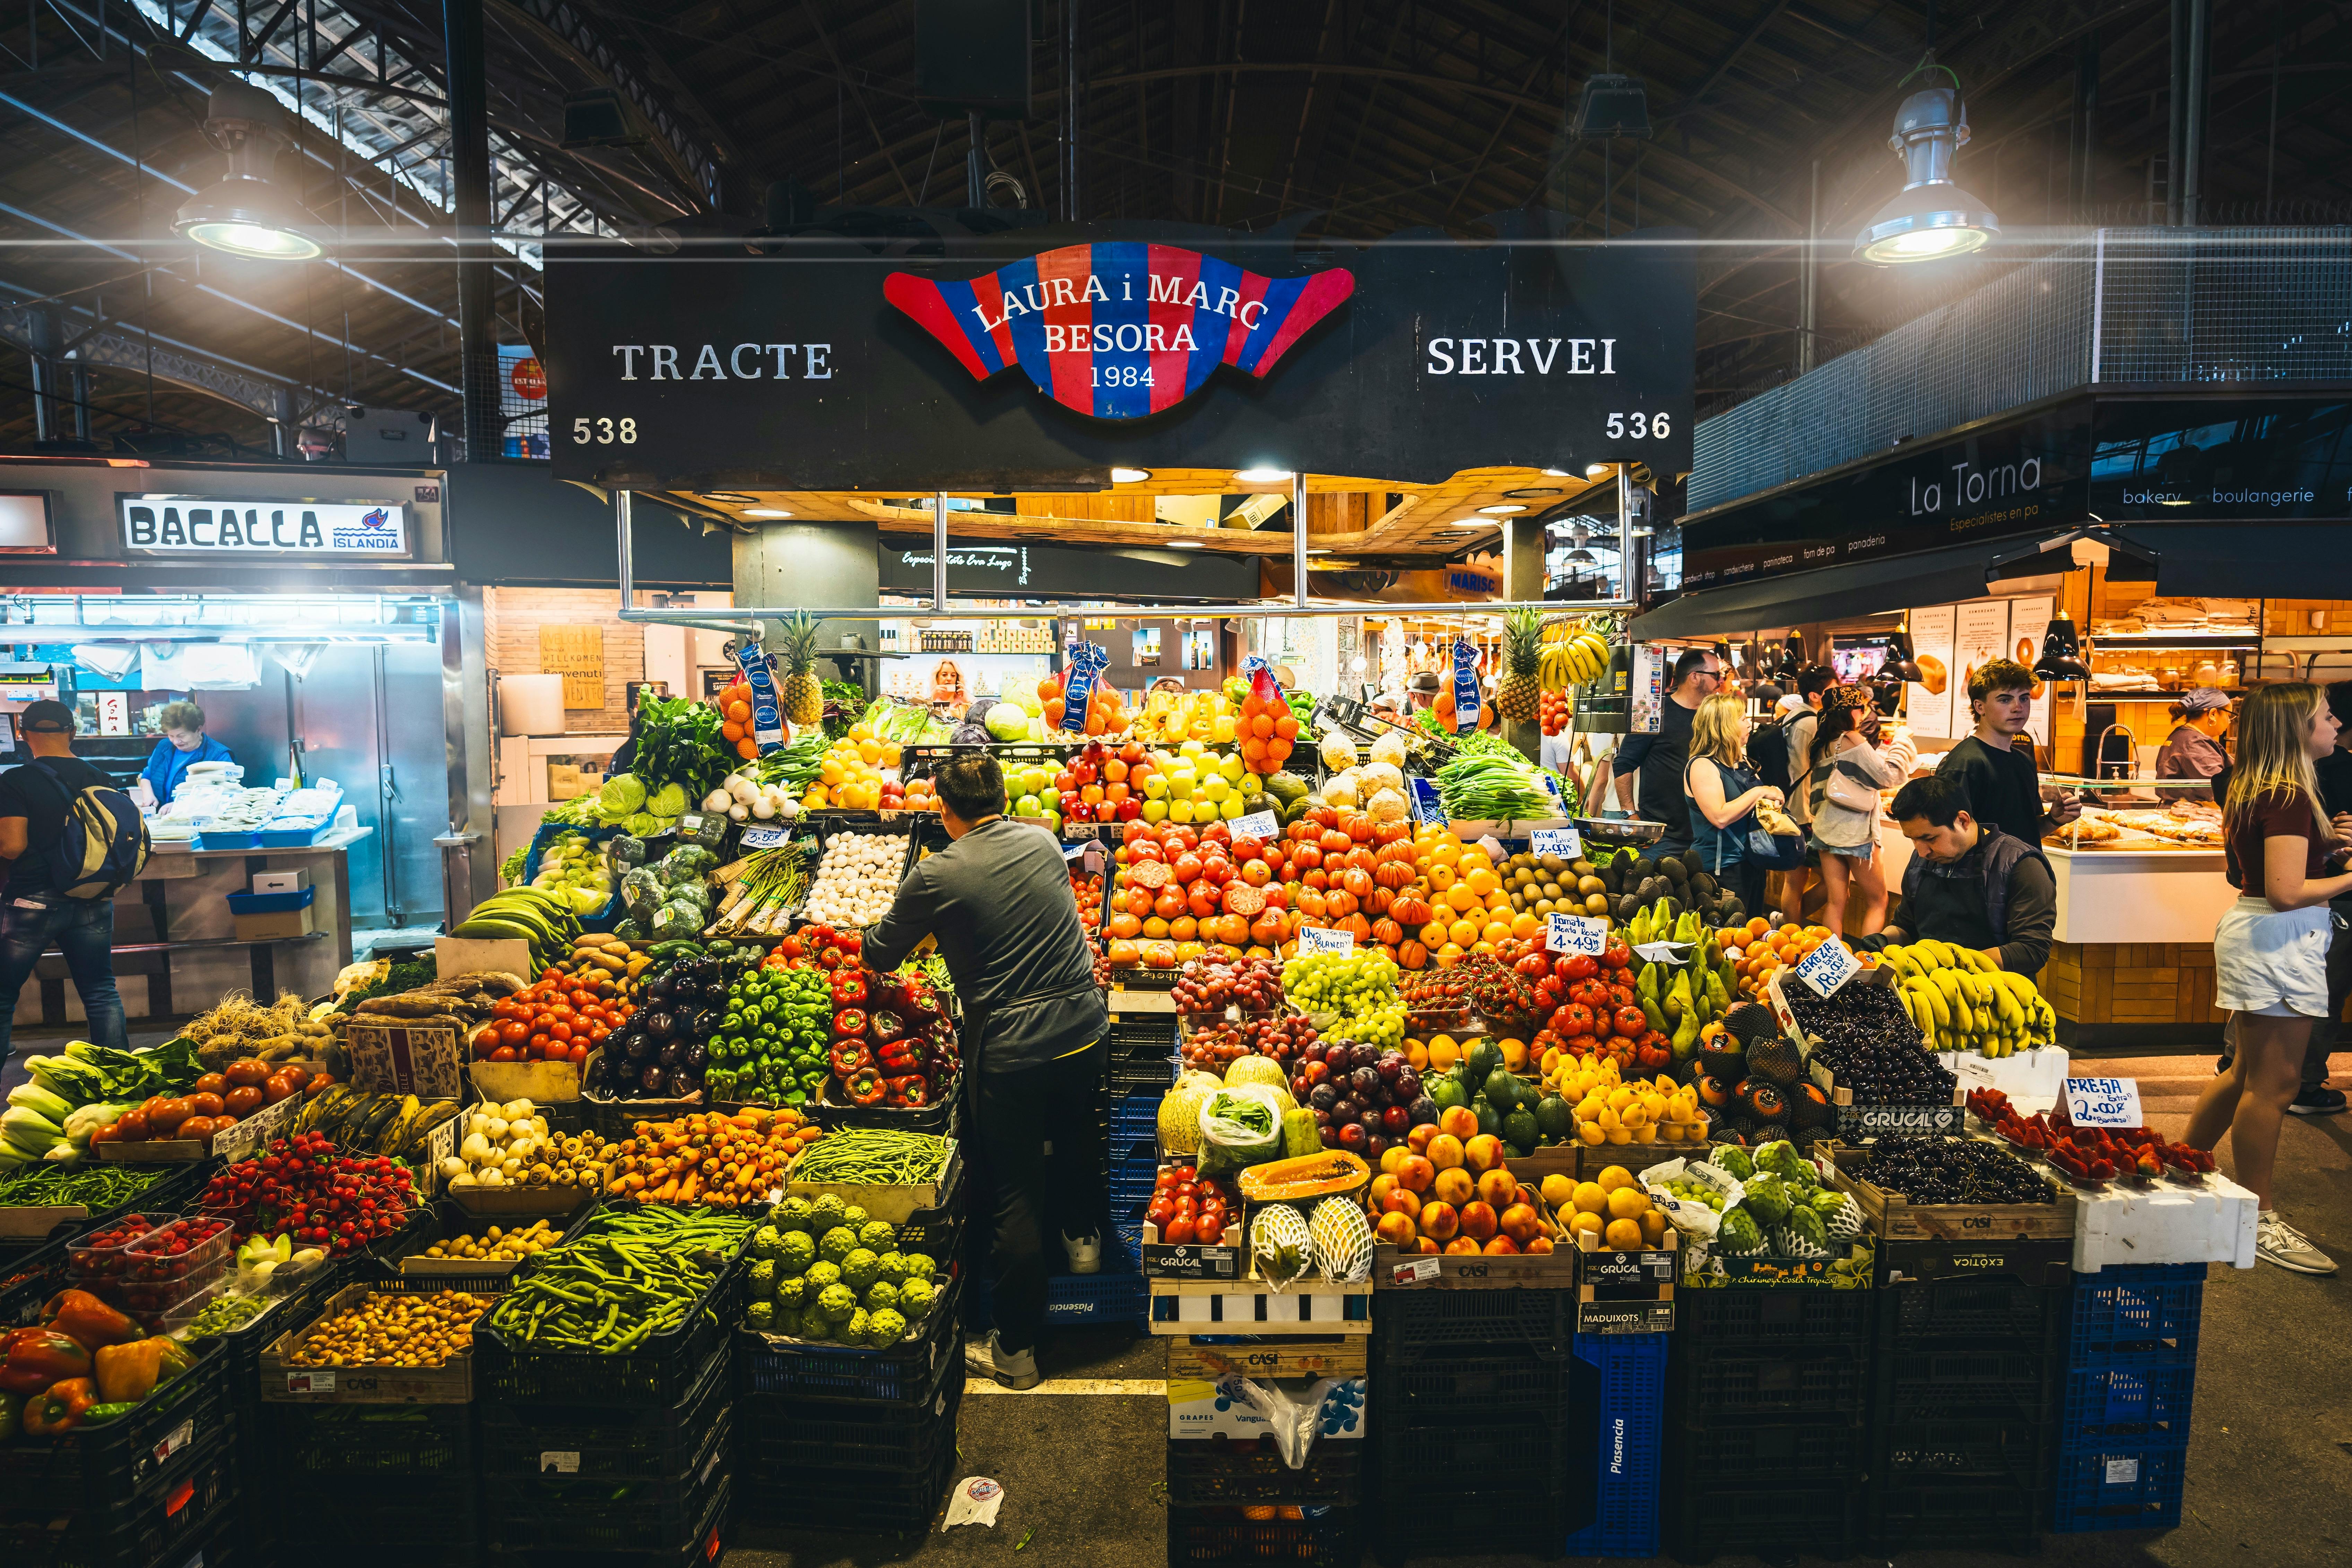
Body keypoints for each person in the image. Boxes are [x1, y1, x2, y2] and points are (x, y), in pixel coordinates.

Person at [861, 752, 1110, 1387]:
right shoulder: (1043, 840)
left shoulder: (935, 872)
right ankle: (1086, 1247)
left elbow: (879, 954)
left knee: (1015, 1190)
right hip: (1085, 1030)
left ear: (943, 811)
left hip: (1012, 1049)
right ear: (1003, 798)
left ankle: (1018, 1348)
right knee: (1080, 1134)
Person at [2183, 682, 2352, 1275]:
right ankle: (2257, 1218)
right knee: (2273, 1086)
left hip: (2266, 938)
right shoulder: (2288, 796)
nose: (2336, 724)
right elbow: (2283, 893)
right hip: (2279, 940)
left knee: (2246, 1073)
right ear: (2298, 729)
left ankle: (2180, 1168)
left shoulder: (2267, 789)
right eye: (2327, 716)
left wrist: (2329, 855)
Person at [0, 701, 130, 1059]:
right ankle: (119, 1083)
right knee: (101, 991)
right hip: (93, 897)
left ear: (23, 734)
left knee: (3, 996)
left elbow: (12, 847)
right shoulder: (102, 778)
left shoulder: (15, 781)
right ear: (73, 732)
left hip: (33, 901)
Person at [1858, 775, 2056, 975]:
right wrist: (1884, 939)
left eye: (1930, 838)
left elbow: (2031, 950)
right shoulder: (1923, 859)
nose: (1922, 852)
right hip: (1928, 989)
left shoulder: (2021, 864)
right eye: (1913, 840)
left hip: (1995, 994)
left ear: (1963, 820)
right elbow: (1906, 926)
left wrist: (1955, 966)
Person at [1935, 658, 2081, 847]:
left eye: (2024, 698)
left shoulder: (2025, 762)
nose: (2018, 707)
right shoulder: (1963, 764)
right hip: (1984, 876)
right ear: (1980, 707)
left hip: (2022, 872)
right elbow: (1947, 840)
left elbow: (2026, 834)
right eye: (2005, 699)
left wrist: (2054, 820)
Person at [1804, 703, 1916, 938]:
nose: (1865, 713)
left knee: (1836, 902)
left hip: (1825, 831)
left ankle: (1829, 963)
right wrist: (1901, 740)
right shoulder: (1852, 738)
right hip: (1855, 834)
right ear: (1850, 712)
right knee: (1878, 901)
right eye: (1861, 708)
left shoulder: (1823, 744)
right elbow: (1890, 776)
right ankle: (1867, 964)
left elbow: (1815, 796)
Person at [1610, 646, 1723, 856]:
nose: (1721, 681)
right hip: (1662, 838)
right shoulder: (1652, 712)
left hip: (1707, 836)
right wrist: (1630, 815)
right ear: (1695, 677)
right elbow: (1623, 764)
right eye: (1716, 675)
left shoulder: (1714, 717)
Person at [1681, 693, 1784, 918]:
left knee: (1749, 938)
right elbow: (1719, 817)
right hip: (1721, 872)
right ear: (1724, 725)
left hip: (1752, 864)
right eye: (1743, 718)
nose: (1749, 723)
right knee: (1726, 939)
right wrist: (1759, 791)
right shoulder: (1702, 765)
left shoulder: (1742, 761)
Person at [138, 701, 233, 807]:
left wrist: (181, 805)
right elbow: (146, 776)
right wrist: (148, 795)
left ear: (198, 730)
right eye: (171, 736)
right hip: (161, 820)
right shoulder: (164, 747)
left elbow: (227, 794)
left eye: (181, 736)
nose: (176, 742)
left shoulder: (219, 756)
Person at [2155, 689, 2233, 797]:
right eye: (2229, 716)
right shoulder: (2195, 743)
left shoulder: (2181, 735)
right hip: (2193, 810)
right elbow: (2217, 791)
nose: (2230, 721)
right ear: (2213, 714)